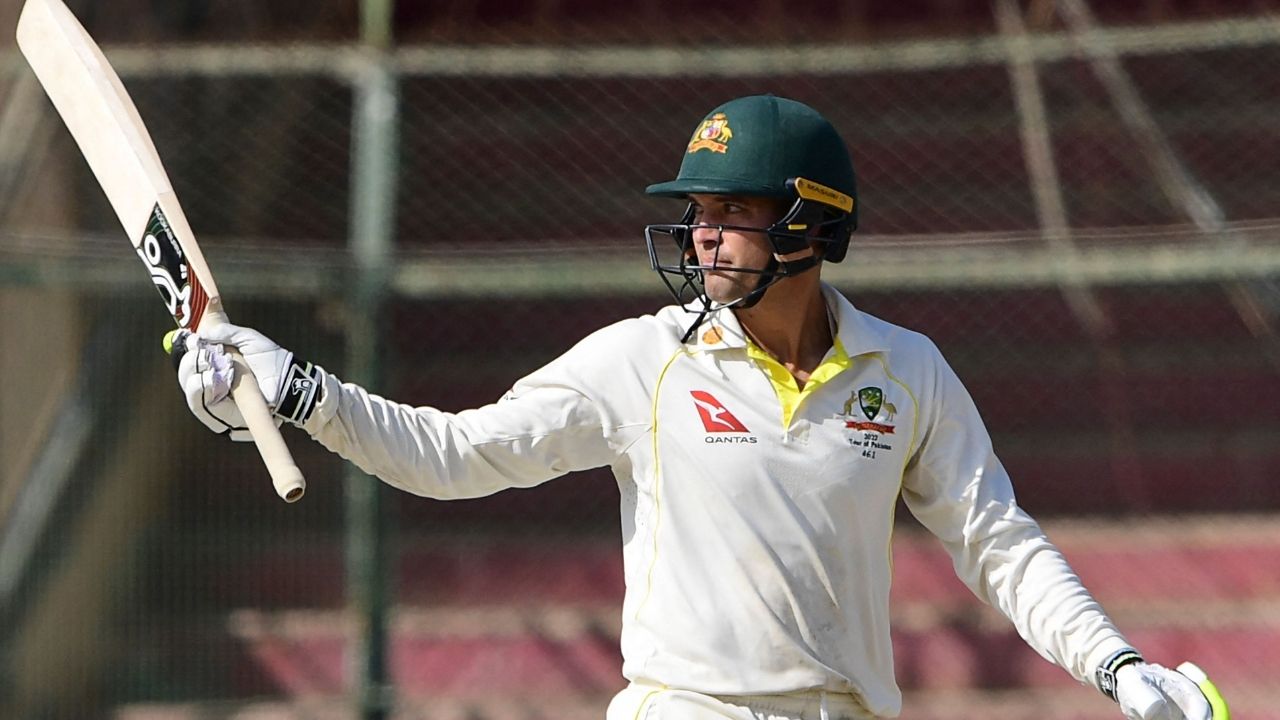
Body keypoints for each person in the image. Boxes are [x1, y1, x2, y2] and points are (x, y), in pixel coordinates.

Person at [170, 95, 1228, 720]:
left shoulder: (904, 371)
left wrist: (1118, 667)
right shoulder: (642, 362)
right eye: (695, 215)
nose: (702, 237)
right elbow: (454, 454)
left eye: (731, 213)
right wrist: (298, 388)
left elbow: (996, 542)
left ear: (811, 225)